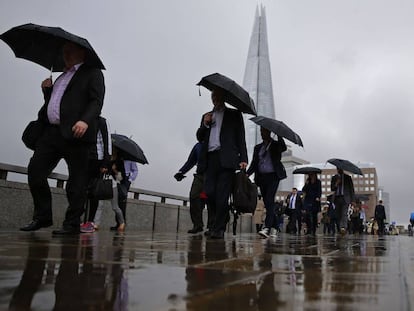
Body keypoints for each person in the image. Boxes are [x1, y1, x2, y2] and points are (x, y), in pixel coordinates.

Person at [20, 41, 105, 234]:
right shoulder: (60, 77)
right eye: (63, 51)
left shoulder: (93, 73)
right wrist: (47, 91)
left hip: (77, 134)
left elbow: (96, 101)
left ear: (81, 52)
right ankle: (42, 217)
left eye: (69, 50)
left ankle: (72, 223)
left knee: (77, 183)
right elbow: (57, 104)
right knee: (35, 172)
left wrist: (85, 120)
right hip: (51, 133)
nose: (64, 53)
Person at [197, 88, 248, 239]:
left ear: (224, 98)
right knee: (209, 193)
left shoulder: (234, 114)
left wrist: (243, 158)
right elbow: (199, 137)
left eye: (218, 96)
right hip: (210, 158)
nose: (215, 99)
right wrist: (205, 124)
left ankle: (218, 228)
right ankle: (215, 222)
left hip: (227, 159)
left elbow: (241, 138)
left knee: (222, 195)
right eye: (213, 96)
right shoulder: (206, 116)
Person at [246, 127, 287, 238]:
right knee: (268, 202)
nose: (263, 133)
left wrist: (279, 135)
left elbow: (283, 148)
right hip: (262, 178)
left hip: (273, 176)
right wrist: (247, 174)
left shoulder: (275, 145)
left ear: (269, 132)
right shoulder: (258, 148)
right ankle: (275, 227)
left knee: (269, 199)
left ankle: (267, 227)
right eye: (261, 132)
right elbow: (254, 164)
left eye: (265, 131)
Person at [80, 116, 112, 233]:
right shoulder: (81, 119)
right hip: (82, 157)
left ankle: (90, 221)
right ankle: (76, 219)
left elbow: (107, 142)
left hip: (97, 160)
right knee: (79, 189)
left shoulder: (102, 121)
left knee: (94, 192)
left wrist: (105, 163)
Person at [174, 131, 206, 234]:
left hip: (211, 177)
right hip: (200, 177)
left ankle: (212, 226)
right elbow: (191, 161)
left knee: (207, 200)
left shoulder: (213, 145)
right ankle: (197, 224)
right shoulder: (197, 146)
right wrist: (181, 171)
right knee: (194, 196)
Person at [110, 155, 138, 231]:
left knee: (122, 201)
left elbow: (135, 170)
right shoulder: (118, 157)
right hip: (117, 178)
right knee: (117, 201)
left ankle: (122, 223)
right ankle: (118, 223)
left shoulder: (130, 158)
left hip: (125, 180)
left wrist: (130, 179)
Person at [330, 168, 355, 235]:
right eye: (338, 168)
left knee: (344, 213)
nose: (339, 169)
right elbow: (332, 188)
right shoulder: (334, 177)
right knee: (338, 215)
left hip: (345, 198)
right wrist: (336, 184)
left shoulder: (348, 177)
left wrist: (353, 200)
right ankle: (339, 228)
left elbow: (351, 189)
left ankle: (343, 227)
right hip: (337, 198)